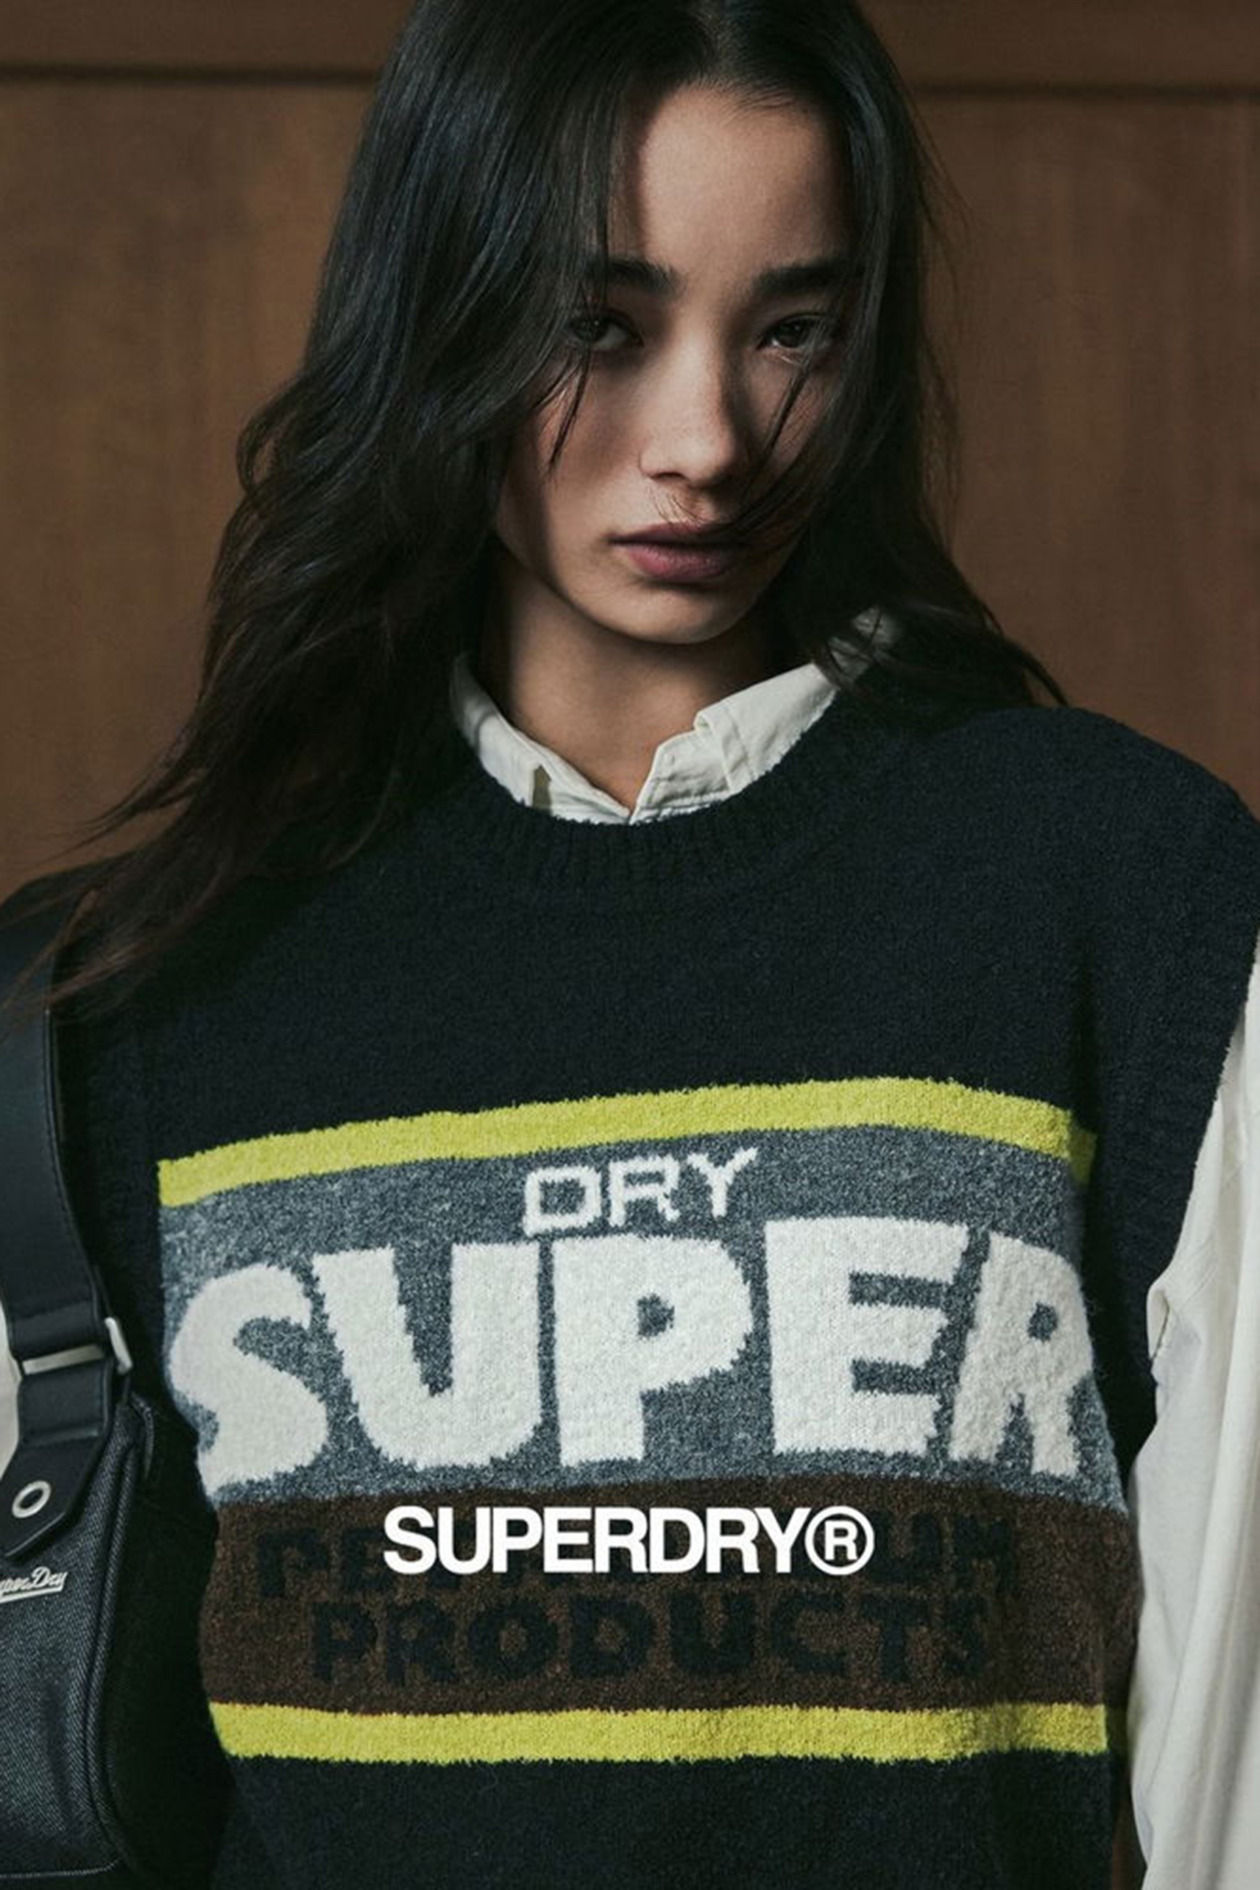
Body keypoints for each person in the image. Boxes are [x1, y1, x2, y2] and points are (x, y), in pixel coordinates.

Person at [8, 1, 1259, 1885]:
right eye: (599, 325)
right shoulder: (156, 987)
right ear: (436, 312)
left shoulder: (1123, 892)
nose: (710, 442)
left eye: (792, 332)